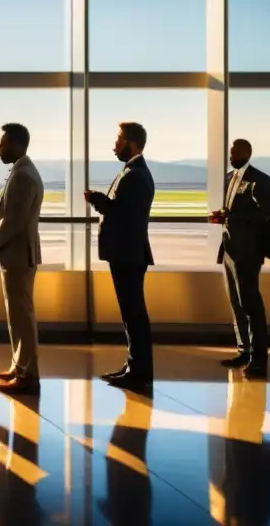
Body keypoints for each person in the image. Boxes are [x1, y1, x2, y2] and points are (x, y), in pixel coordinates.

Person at [85, 122, 155, 391]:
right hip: (127, 253)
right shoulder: (132, 172)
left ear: (132, 143)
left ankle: (139, 371)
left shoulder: (135, 175)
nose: (115, 145)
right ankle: (134, 366)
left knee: (134, 314)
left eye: (119, 139)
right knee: (132, 314)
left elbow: (123, 215)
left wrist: (100, 203)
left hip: (127, 253)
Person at [0, 123, 44, 395]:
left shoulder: (23, 176)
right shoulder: (20, 172)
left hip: (17, 255)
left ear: (17, 145)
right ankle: (19, 367)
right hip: (15, 254)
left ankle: (27, 375)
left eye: (2, 143)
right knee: (17, 316)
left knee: (22, 316)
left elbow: (13, 221)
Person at [209, 138, 270, 377]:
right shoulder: (229, 178)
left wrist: (231, 217)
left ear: (248, 153)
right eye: (230, 151)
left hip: (248, 252)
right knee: (235, 303)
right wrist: (223, 215)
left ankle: (259, 357)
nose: (231, 155)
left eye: (235, 151)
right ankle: (243, 351)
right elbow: (234, 211)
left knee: (250, 304)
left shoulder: (261, 180)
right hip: (228, 249)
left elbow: (263, 215)